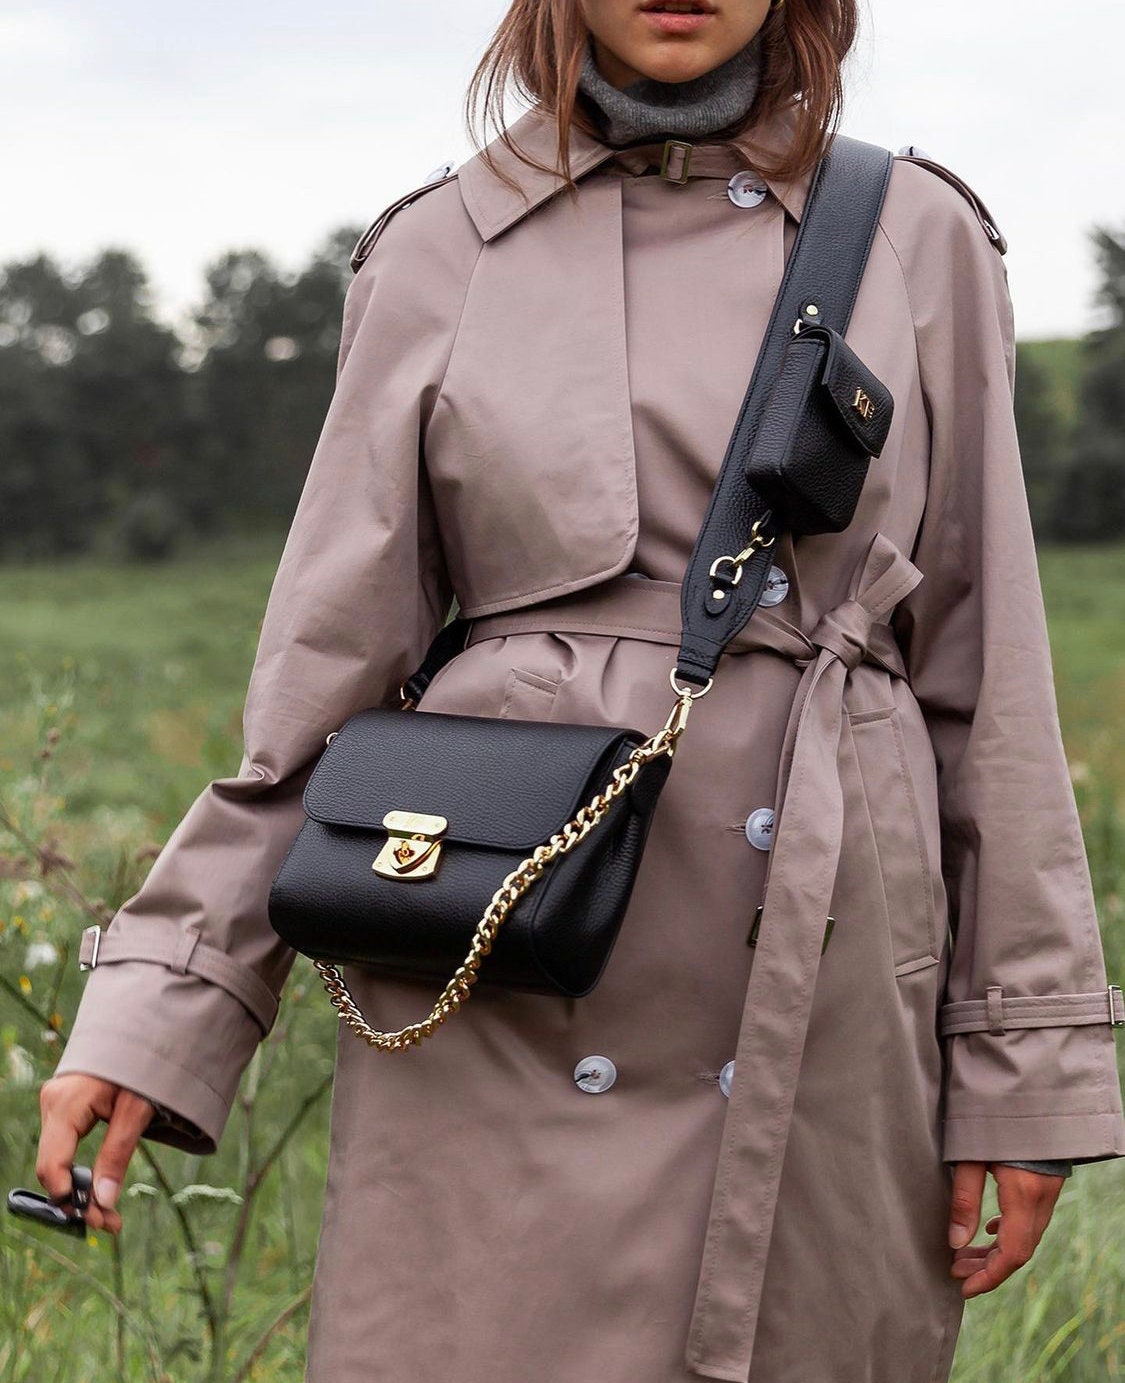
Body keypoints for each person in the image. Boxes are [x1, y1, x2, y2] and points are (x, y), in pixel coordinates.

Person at [35, 1, 1125, 1380]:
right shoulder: (436, 250)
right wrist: (161, 1010)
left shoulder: (920, 237)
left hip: (823, 978)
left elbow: (988, 672)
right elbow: (319, 694)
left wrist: (1023, 1066)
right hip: (499, 974)